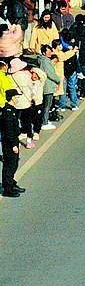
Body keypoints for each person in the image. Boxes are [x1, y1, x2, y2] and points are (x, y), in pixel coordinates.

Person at [0, 59, 23, 198]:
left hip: (13, 141)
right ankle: (8, 188)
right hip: (10, 143)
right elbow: (9, 131)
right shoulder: (8, 112)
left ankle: (12, 183)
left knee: (13, 164)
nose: (17, 98)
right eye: (15, 96)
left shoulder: (12, 109)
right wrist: (14, 144)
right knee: (10, 164)